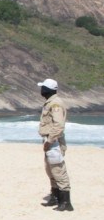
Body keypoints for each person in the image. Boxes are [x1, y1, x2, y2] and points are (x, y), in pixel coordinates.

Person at [37, 79, 73, 212]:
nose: (41, 90)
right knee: (50, 170)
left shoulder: (55, 104)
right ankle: (55, 197)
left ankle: (65, 202)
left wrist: (49, 141)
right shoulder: (50, 103)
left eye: (43, 88)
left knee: (58, 170)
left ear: (48, 89)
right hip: (50, 140)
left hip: (54, 141)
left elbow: (58, 125)